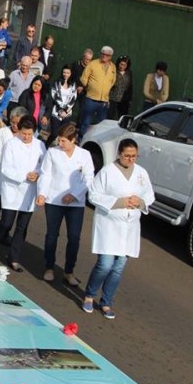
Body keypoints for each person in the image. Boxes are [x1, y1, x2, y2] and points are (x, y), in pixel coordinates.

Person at [83, 139, 154, 320]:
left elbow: (149, 195)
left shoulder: (141, 173)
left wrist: (140, 202)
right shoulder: (107, 171)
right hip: (109, 225)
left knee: (119, 267)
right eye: (127, 156)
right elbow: (94, 195)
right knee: (105, 264)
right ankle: (90, 294)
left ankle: (106, 301)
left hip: (129, 226)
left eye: (134, 156)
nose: (131, 159)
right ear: (119, 154)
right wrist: (120, 202)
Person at [0, 115, 46, 271]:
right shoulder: (11, 144)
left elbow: (43, 165)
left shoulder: (40, 146)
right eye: (23, 133)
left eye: (29, 134)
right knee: (6, 222)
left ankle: (14, 258)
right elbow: (6, 168)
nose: (26, 137)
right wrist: (24, 176)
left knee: (22, 227)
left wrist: (37, 174)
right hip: (12, 188)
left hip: (29, 190)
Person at [36, 123, 94, 285]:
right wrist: (42, 193)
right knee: (52, 235)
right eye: (59, 141)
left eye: (64, 141)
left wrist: (74, 195)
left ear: (73, 140)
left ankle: (69, 271)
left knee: (74, 237)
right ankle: (49, 267)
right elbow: (46, 174)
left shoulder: (84, 155)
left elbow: (89, 178)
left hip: (75, 204)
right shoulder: (53, 153)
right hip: (54, 200)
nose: (60, 144)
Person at [0, 106, 27, 241]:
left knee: (8, 211)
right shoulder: (2, 132)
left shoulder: (25, 137)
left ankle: (3, 233)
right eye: (12, 122)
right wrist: (9, 163)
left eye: (17, 123)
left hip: (15, 181)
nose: (14, 125)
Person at [79, 45, 116, 138]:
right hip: (91, 99)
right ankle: (81, 139)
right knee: (86, 122)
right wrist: (89, 88)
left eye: (106, 55)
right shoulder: (93, 64)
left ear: (110, 56)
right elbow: (84, 79)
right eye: (102, 54)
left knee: (102, 123)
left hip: (104, 101)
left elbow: (113, 81)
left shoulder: (113, 67)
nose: (104, 56)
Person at [48, 65, 78, 146]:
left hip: (67, 114)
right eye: (64, 72)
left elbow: (73, 99)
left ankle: (59, 148)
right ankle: (47, 144)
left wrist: (66, 110)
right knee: (54, 133)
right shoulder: (56, 83)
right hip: (56, 112)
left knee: (63, 135)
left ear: (71, 74)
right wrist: (61, 110)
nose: (65, 74)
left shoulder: (73, 84)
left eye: (68, 73)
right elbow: (54, 96)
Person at [109, 55, 133, 120]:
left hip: (124, 99)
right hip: (113, 98)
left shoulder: (129, 73)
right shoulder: (114, 71)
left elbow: (130, 86)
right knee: (110, 116)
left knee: (122, 118)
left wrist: (130, 99)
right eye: (121, 64)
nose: (122, 66)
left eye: (124, 65)